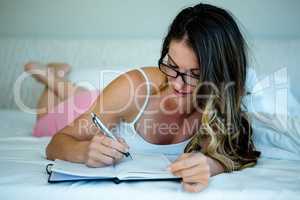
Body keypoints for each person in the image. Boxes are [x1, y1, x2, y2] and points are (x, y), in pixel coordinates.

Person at [24, 3, 260, 192]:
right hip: (106, 107)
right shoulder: (133, 87)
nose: (177, 83)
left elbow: (236, 153)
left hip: (108, 106)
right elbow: (56, 142)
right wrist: (84, 151)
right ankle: (51, 78)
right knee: (45, 117)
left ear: (220, 74)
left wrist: (211, 165)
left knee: (88, 97)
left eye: (195, 75)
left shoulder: (222, 103)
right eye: (172, 66)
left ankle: (61, 82)